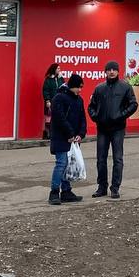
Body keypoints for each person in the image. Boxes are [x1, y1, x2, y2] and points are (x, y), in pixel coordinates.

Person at [88, 60, 138, 199]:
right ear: (105, 72)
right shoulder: (99, 88)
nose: (111, 72)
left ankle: (115, 188)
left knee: (118, 159)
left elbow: (133, 104)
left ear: (118, 71)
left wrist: (121, 116)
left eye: (114, 69)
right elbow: (91, 106)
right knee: (101, 160)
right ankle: (101, 187)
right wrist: (96, 117)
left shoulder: (125, 87)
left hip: (118, 129)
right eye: (109, 69)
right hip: (102, 129)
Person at [48, 73, 86, 206]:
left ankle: (66, 191)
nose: (80, 90)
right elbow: (59, 118)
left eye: (81, 87)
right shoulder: (59, 98)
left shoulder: (79, 100)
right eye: (78, 87)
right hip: (60, 137)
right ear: (72, 86)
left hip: (72, 139)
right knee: (61, 163)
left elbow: (82, 118)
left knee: (67, 164)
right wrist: (70, 133)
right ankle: (54, 192)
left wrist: (80, 134)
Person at [41, 62, 62, 142]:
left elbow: (63, 87)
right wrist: (47, 100)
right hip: (50, 102)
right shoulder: (48, 80)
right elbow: (45, 91)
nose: (59, 70)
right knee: (48, 118)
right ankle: (47, 133)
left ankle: (55, 133)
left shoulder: (60, 79)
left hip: (59, 102)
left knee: (58, 117)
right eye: (58, 68)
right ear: (54, 69)